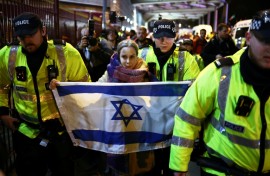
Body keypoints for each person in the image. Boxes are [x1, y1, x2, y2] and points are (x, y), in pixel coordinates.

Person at [169, 9, 270, 176]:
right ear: (249, 38)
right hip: (221, 171)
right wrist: (179, 166)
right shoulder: (218, 74)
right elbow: (187, 118)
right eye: (265, 41)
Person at [0, 12, 99, 176]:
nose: (26, 40)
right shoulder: (7, 55)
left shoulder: (67, 54)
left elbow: (84, 89)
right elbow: (1, 85)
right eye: (21, 36)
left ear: (43, 31)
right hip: (26, 132)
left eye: (31, 34)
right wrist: (3, 113)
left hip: (61, 133)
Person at [141, 19, 200, 175]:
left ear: (175, 36)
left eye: (167, 36)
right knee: (148, 168)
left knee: (170, 167)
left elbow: (194, 90)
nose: (163, 40)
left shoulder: (186, 58)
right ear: (153, 36)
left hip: (175, 124)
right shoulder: (142, 54)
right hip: (148, 122)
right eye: (159, 36)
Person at [98, 39, 157, 175]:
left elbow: (156, 99)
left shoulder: (146, 75)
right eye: (124, 57)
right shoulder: (110, 73)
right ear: (118, 56)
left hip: (140, 128)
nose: (128, 62)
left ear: (137, 56)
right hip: (117, 126)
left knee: (140, 168)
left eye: (132, 57)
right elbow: (96, 91)